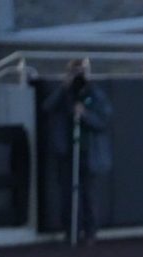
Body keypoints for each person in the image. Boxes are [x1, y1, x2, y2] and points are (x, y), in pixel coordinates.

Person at [41, 58, 112, 246]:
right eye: (75, 72)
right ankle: (70, 231)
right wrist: (64, 87)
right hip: (66, 151)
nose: (79, 75)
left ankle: (90, 232)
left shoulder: (95, 94)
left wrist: (85, 114)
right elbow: (47, 107)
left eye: (82, 71)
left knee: (88, 194)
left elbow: (103, 120)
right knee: (67, 194)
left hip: (88, 152)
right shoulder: (63, 93)